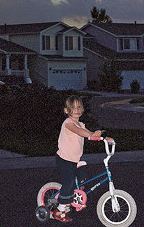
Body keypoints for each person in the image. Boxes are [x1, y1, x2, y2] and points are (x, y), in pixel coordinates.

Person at [51, 94, 102, 223]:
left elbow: (85, 131)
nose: (77, 110)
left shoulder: (80, 124)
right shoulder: (68, 123)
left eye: (79, 107)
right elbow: (80, 132)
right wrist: (90, 135)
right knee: (69, 182)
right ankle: (60, 210)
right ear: (66, 111)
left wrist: (104, 138)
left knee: (82, 182)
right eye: (73, 108)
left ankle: (75, 199)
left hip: (76, 159)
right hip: (65, 159)